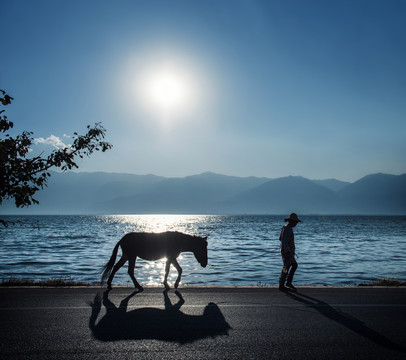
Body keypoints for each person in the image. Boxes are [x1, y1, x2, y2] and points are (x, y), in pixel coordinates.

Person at [279, 213, 301, 291]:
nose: (296, 224)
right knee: (288, 266)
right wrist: (287, 250)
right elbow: (285, 241)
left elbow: (280, 239)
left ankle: (285, 282)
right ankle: (283, 284)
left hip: (287, 251)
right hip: (287, 251)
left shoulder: (284, 228)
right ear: (291, 221)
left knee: (290, 266)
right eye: (295, 222)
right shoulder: (288, 229)